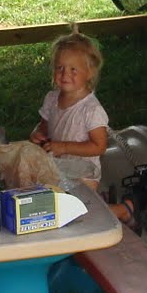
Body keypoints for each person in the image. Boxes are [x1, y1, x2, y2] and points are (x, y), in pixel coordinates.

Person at [30, 32, 110, 189]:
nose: (65, 74)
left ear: (90, 72)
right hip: (57, 167)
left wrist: (64, 147)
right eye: (60, 68)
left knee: (73, 202)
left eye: (73, 69)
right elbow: (44, 125)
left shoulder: (91, 110)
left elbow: (99, 146)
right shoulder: (52, 98)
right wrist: (37, 134)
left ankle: (111, 204)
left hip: (84, 174)